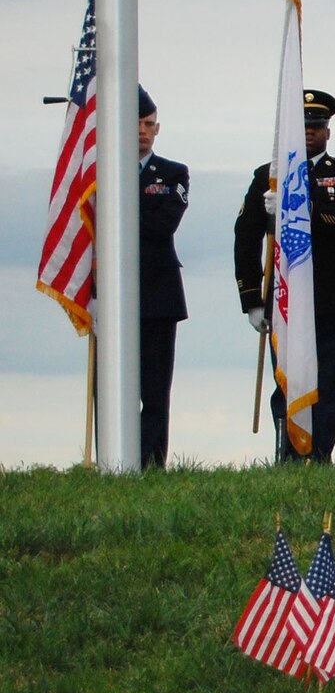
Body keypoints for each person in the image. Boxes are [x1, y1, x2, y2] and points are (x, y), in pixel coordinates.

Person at [233, 88, 335, 462]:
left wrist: (300, 205)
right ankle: (287, 455)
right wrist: (250, 298)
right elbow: (245, 236)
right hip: (284, 295)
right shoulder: (268, 176)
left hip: (332, 294)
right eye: (303, 126)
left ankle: (320, 454)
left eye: (317, 126)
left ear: (328, 130)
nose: (310, 132)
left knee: (328, 380)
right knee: (288, 380)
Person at [135, 86, 187, 469]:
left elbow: (162, 225)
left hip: (157, 293)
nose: (142, 131)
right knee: (111, 387)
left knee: (155, 389)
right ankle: (114, 461)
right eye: (136, 123)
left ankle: (151, 462)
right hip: (110, 290)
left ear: (158, 129)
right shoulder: (97, 170)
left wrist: (117, 209)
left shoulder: (173, 173)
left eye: (149, 124)